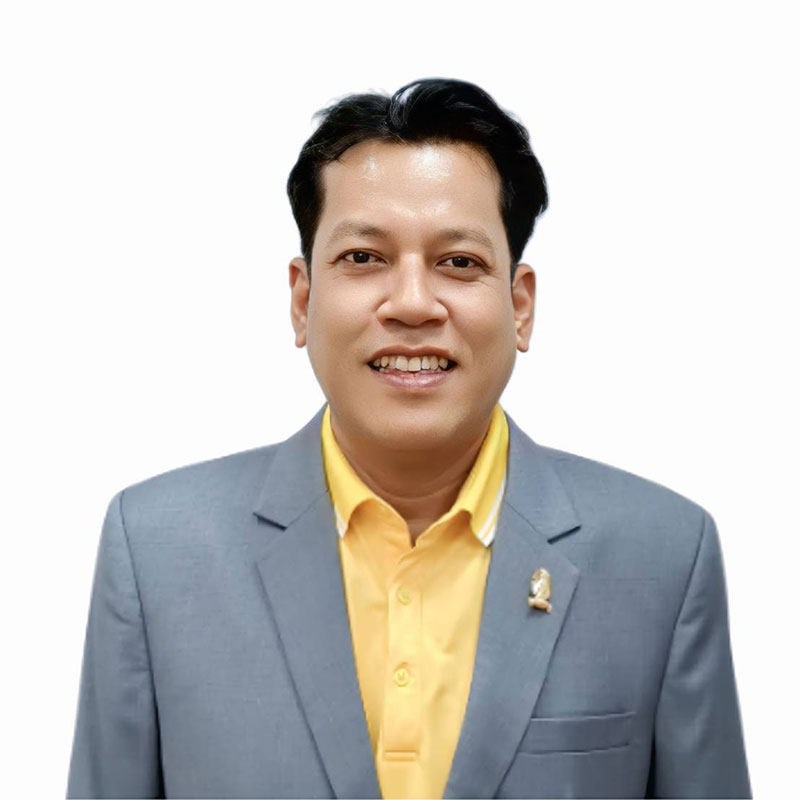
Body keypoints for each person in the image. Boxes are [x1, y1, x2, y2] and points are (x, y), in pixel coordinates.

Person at [66, 77, 751, 799]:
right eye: (364, 258)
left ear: (520, 306)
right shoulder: (156, 551)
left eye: (459, 263)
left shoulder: (663, 557)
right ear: (302, 299)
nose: (414, 304)